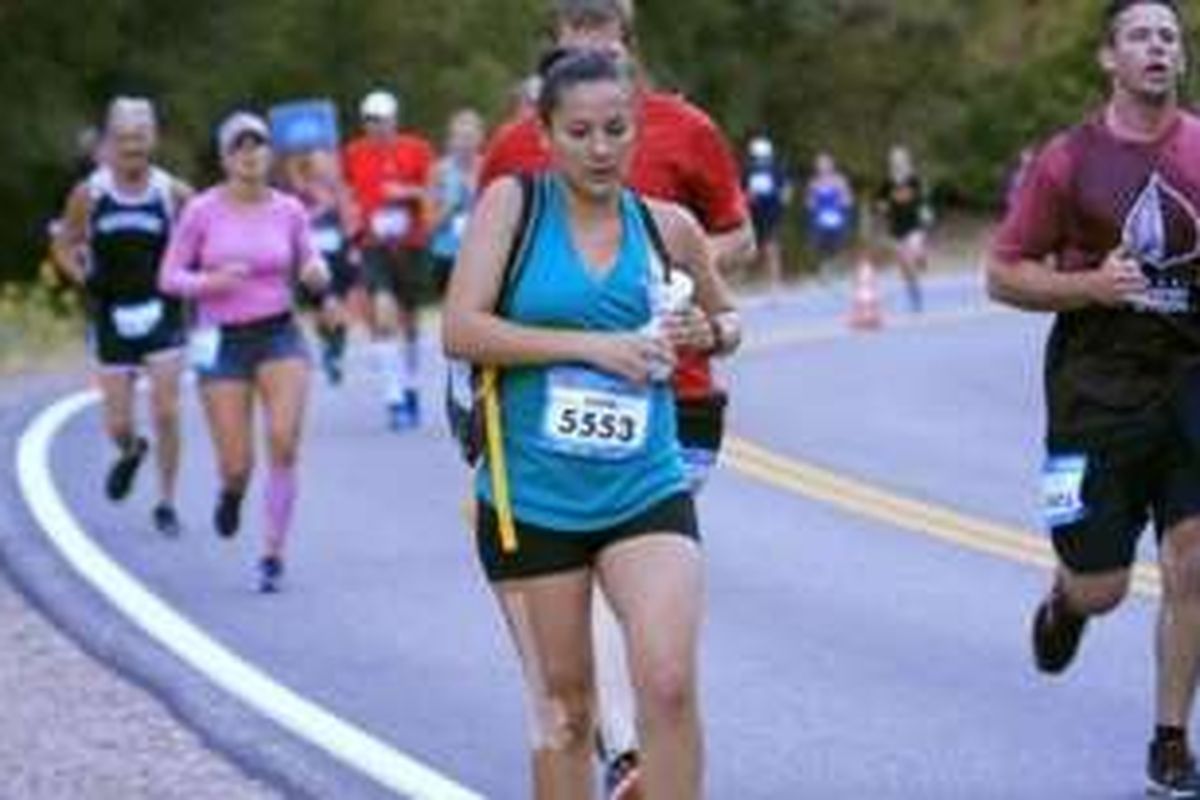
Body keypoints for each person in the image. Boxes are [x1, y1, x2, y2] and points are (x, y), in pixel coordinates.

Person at [445, 49, 740, 800]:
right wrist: (590, 346)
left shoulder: (667, 226)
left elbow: (727, 317)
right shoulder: (512, 207)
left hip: (645, 483)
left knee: (668, 684)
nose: (601, 148)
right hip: (532, 498)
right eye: (580, 131)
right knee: (566, 714)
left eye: (616, 129)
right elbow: (461, 329)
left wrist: (712, 333)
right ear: (545, 133)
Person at [987, 1, 1200, 794]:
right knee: (1104, 588)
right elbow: (1003, 274)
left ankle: (1170, 740)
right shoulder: (1068, 160)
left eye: (1169, 37)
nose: (1157, 47)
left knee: (1192, 559)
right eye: (1140, 35)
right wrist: (1091, 286)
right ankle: (1068, 601)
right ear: (1110, 58)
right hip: (1094, 394)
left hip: (1189, 385)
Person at [160, 112, 328, 593]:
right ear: (225, 157)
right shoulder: (202, 211)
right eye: (239, 146)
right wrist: (211, 281)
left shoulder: (289, 209)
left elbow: (308, 255)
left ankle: (272, 554)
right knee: (237, 463)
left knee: (283, 441)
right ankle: (232, 492)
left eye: (257, 145)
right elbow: (169, 276)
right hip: (222, 341)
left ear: (268, 154)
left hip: (279, 334)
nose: (250, 154)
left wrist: (316, 270)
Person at [52, 97, 192, 536]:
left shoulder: (172, 193)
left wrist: (197, 283)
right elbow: (64, 242)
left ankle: (166, 503)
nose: (132, 146)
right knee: (118, 423)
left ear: (153, 139)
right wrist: (80, 276)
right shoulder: (90, 194)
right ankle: (132, 451)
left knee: (166, 411)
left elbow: (204, 239)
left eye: (140, 137)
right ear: (110, 141)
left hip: (163, 311)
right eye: (124, 137)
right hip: (112, 313)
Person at [343, 90, 437, 431]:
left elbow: (431, 193)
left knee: (409, 321)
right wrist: (351, 221)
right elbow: (347, 193)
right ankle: (394, 397)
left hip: (411, 244)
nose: (375, 126)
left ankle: (410, 385)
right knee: (383, 314)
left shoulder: (417, 149)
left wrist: (407, 193)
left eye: (381, 119)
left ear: (395, 120)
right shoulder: (353, 153)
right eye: (369, 119)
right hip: (374, 244)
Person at [279, 149, 358, 385]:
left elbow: (351, 223)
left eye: (325, 164)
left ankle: (332, 350)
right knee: (326, 309)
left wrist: (354, 247)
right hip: (311, 263)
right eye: (316, 165)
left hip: (339, 258)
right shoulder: (296, 195)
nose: (322, 169)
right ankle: (332, 354)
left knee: (335, 313)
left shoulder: (339, 192)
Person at [429, 108, 486, 295]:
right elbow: (430, 224)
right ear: (450, 141)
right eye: (460, 137)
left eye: (470, 137)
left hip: (481, 254)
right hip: (447, 253)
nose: (465, 144)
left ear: (480, 139)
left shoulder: (488, 168)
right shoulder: (439, 171)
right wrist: (450, 205)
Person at [876, 144, 931, 312]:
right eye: (894, 159)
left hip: (914, 225)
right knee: (904, 268)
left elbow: (923, 199)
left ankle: (920, 254)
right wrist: (882, 207)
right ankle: (913, 294)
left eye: (900, 159)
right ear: (891, 162)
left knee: (911, 258)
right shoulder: (887, 182)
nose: (897, 162)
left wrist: (925, 212)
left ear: (907, 161)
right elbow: (880, 201)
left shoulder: (914, 179)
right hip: (896, 228)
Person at [743, 135, 790, 293]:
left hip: (772, 213)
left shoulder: (776, 169)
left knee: (772, 247)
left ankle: (774, 284)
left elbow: (786, 191)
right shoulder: (748, 170)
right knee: (753, 248)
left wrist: (780, 200)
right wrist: (748, 197)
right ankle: (757, 280)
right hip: (754, 214)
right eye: (758, 157)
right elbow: (742, 193)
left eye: (763, 157)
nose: (761, 161)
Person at [805, 151, 855, 269]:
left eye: (825, 163)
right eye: (819, 164)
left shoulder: (839, 180)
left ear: (831, 165)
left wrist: (842, 202)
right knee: (818, 243)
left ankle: (838, 263)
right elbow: (809, 202)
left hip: (837, 217)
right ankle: (826, 266)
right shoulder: (814, 182)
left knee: (837, 245)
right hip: (820, 218)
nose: (822, 167)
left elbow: (848, 199)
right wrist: (811, 203)